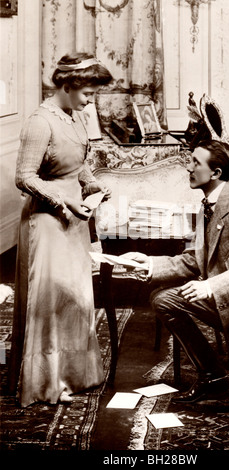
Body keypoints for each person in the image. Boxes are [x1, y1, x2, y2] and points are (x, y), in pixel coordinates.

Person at [122, 139, 229, 418]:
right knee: (164, 299)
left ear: (215, 173)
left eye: (195, 162)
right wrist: (151, 265)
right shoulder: (209, 205)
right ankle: (212, 376)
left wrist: (210, 286)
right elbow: (195, 259)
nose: (188, 168)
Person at [8, 52, 113, 407]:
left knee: (76, 297)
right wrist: (62, 202)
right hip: (48, 220)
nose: (90, 101)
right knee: (51, 300)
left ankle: (73, 375)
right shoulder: (40, 122)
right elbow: (24, 177)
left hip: (75, 219)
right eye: (87, 93)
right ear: (67, 86)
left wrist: (94, 186)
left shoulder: (73, 116)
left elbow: (77, 167)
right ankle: (48, 383)